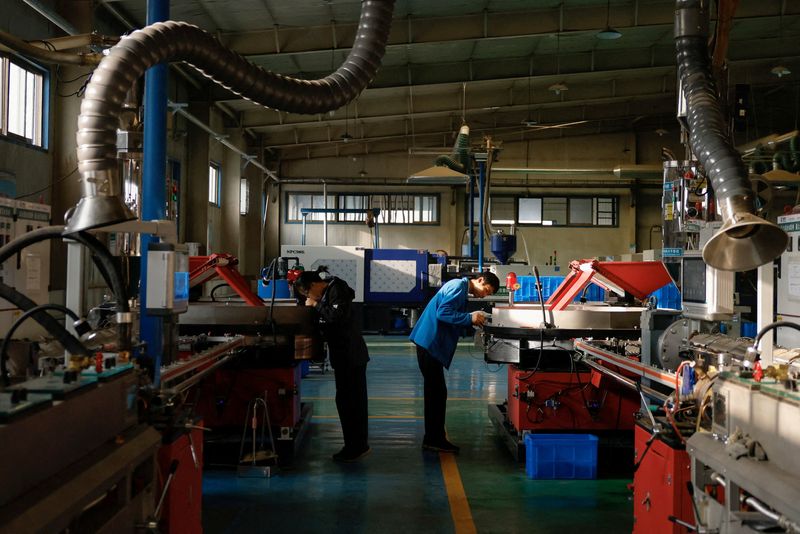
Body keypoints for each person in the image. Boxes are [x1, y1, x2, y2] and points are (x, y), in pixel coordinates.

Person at [409, 272, 500, 452]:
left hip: (428, 342)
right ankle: (434, 439)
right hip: (430, 343)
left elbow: (450, 312)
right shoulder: (458, 286)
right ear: (480, 280)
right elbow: (444, 313)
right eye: (486, 290)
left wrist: (471, 318)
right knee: (436, 394)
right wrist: (469, 318)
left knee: (435, 393)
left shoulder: (460, 287)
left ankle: (432, 437)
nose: (484, 296)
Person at [293, 267, 370, 462]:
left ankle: (356, 446)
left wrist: (316, 304)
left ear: (312, 286)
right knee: (346, 401)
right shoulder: (331, 292)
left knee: (351, 402)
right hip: (344, 355)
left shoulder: (337, 289)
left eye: (307, 294)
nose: (308, 298)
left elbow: (337, 316)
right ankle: (355, 444)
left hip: (351, 355)